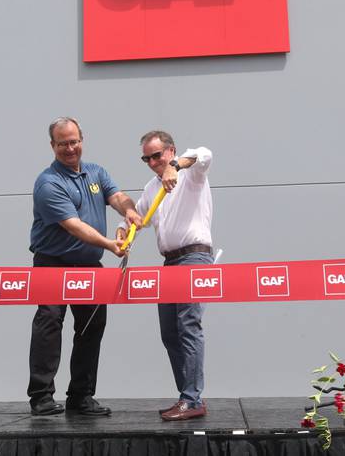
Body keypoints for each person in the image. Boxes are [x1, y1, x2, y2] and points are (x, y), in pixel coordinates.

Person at [28, 117, 142, 417]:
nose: (70, 148)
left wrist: (129, 211)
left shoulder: (96, 172)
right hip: (52, 263)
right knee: (50, 323)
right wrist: (110, 244)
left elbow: (116, 196)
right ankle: (41, 396)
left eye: (74, 141)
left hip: (89, 265)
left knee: (92, 327)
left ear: (82, 139)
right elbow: (73, 226)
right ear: (52, 146)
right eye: (63, 143)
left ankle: (80, 396)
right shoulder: (48, 183)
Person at [117, 130, 213, 421]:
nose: (153, 162)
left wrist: (177, 166)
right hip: (171, 263)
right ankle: (188, 396)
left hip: (194, 257)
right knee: (170, 332)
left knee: (188, 325)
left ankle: (191, 398)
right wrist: (125, 229)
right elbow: (137, 217)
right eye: (146, 158)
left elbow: (204, 152)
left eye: (157, 155)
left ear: (171, 151)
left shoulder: (191, 174)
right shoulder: (151, 187)